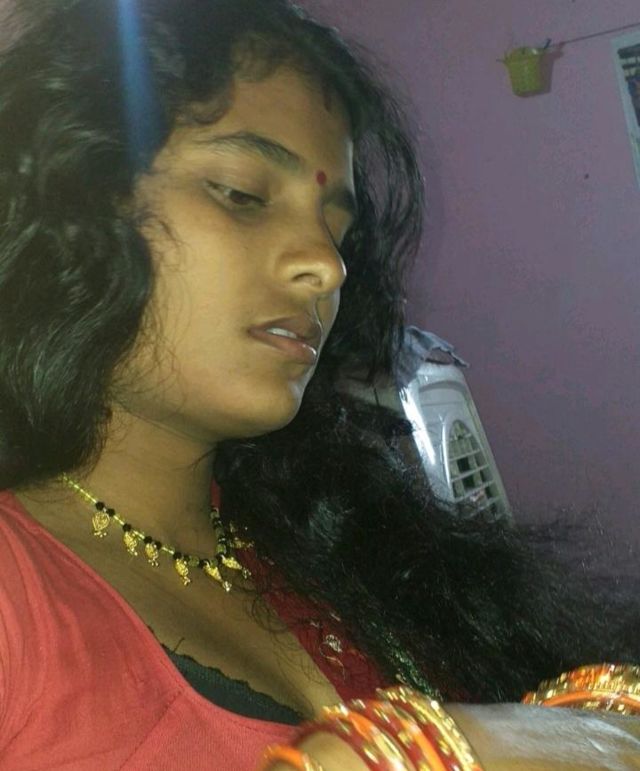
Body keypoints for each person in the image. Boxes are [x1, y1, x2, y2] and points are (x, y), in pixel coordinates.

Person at [0, 0, 638, 768]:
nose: (326, 265)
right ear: (63, 203)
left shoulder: (333, 542)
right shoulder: (17, 593)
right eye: (241, 194)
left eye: (337, 228)